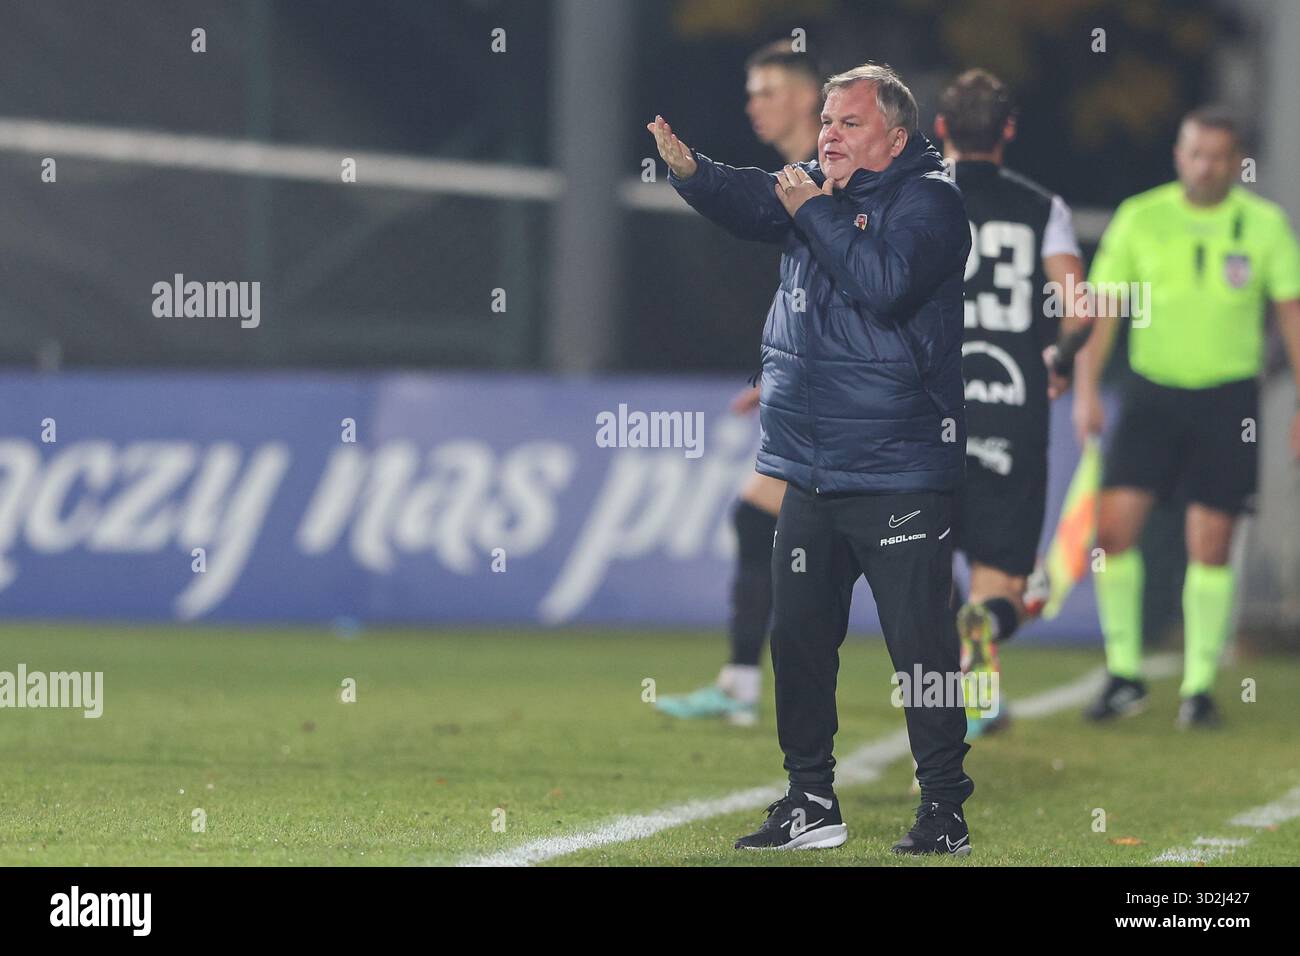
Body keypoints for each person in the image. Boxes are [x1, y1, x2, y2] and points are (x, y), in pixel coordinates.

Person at [649, 62, 975, 854]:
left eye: (849, 122)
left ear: (895, 138)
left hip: (898, 468)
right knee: (796, 639)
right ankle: (809, 800)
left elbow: (887, 285)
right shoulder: (807, 193)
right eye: (826, 120)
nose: (828, 133)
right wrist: (694, 172)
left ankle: (944, 809)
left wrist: (815, 212)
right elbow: (756, 202)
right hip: (810, 468)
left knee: (921, 653)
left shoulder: (930, 202)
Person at [1076, 107, 1300, 727]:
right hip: (1150, 394)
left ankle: (1199, 688)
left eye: (1219, 156)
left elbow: (1292, 316)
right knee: (1112, 535)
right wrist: (1087, 391)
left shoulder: (1265, 226)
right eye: (1195, 153)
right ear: (1180, 155)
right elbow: (1103, 309)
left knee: (1211, 546)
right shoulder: (1141, 217)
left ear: (1237, 162)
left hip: (1228, 401)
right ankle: (1124, 675)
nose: (1205, 166)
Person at [655, 42, 822, 726]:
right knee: (773, 520)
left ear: (809, 96)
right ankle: (742, 683)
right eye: (750, 92)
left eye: (768, 90)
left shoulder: (840, 173)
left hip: (862, 390)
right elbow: (809, 288)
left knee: (894, 537)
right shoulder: (801, 173)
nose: (754, 104)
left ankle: (964, 683)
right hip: (817, 382)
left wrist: (696, 173)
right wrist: (778, 368)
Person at [934, 69, 1094, 738]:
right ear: (1009, 130)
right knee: (1005, 580)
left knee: (922, 555)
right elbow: (1079, 308)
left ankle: (968, 693)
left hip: (925, 405)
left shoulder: (916, 197)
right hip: (1011, 403)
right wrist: (1057, 359)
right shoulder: (1041, 206)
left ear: (939, 130)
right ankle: (983, 663)